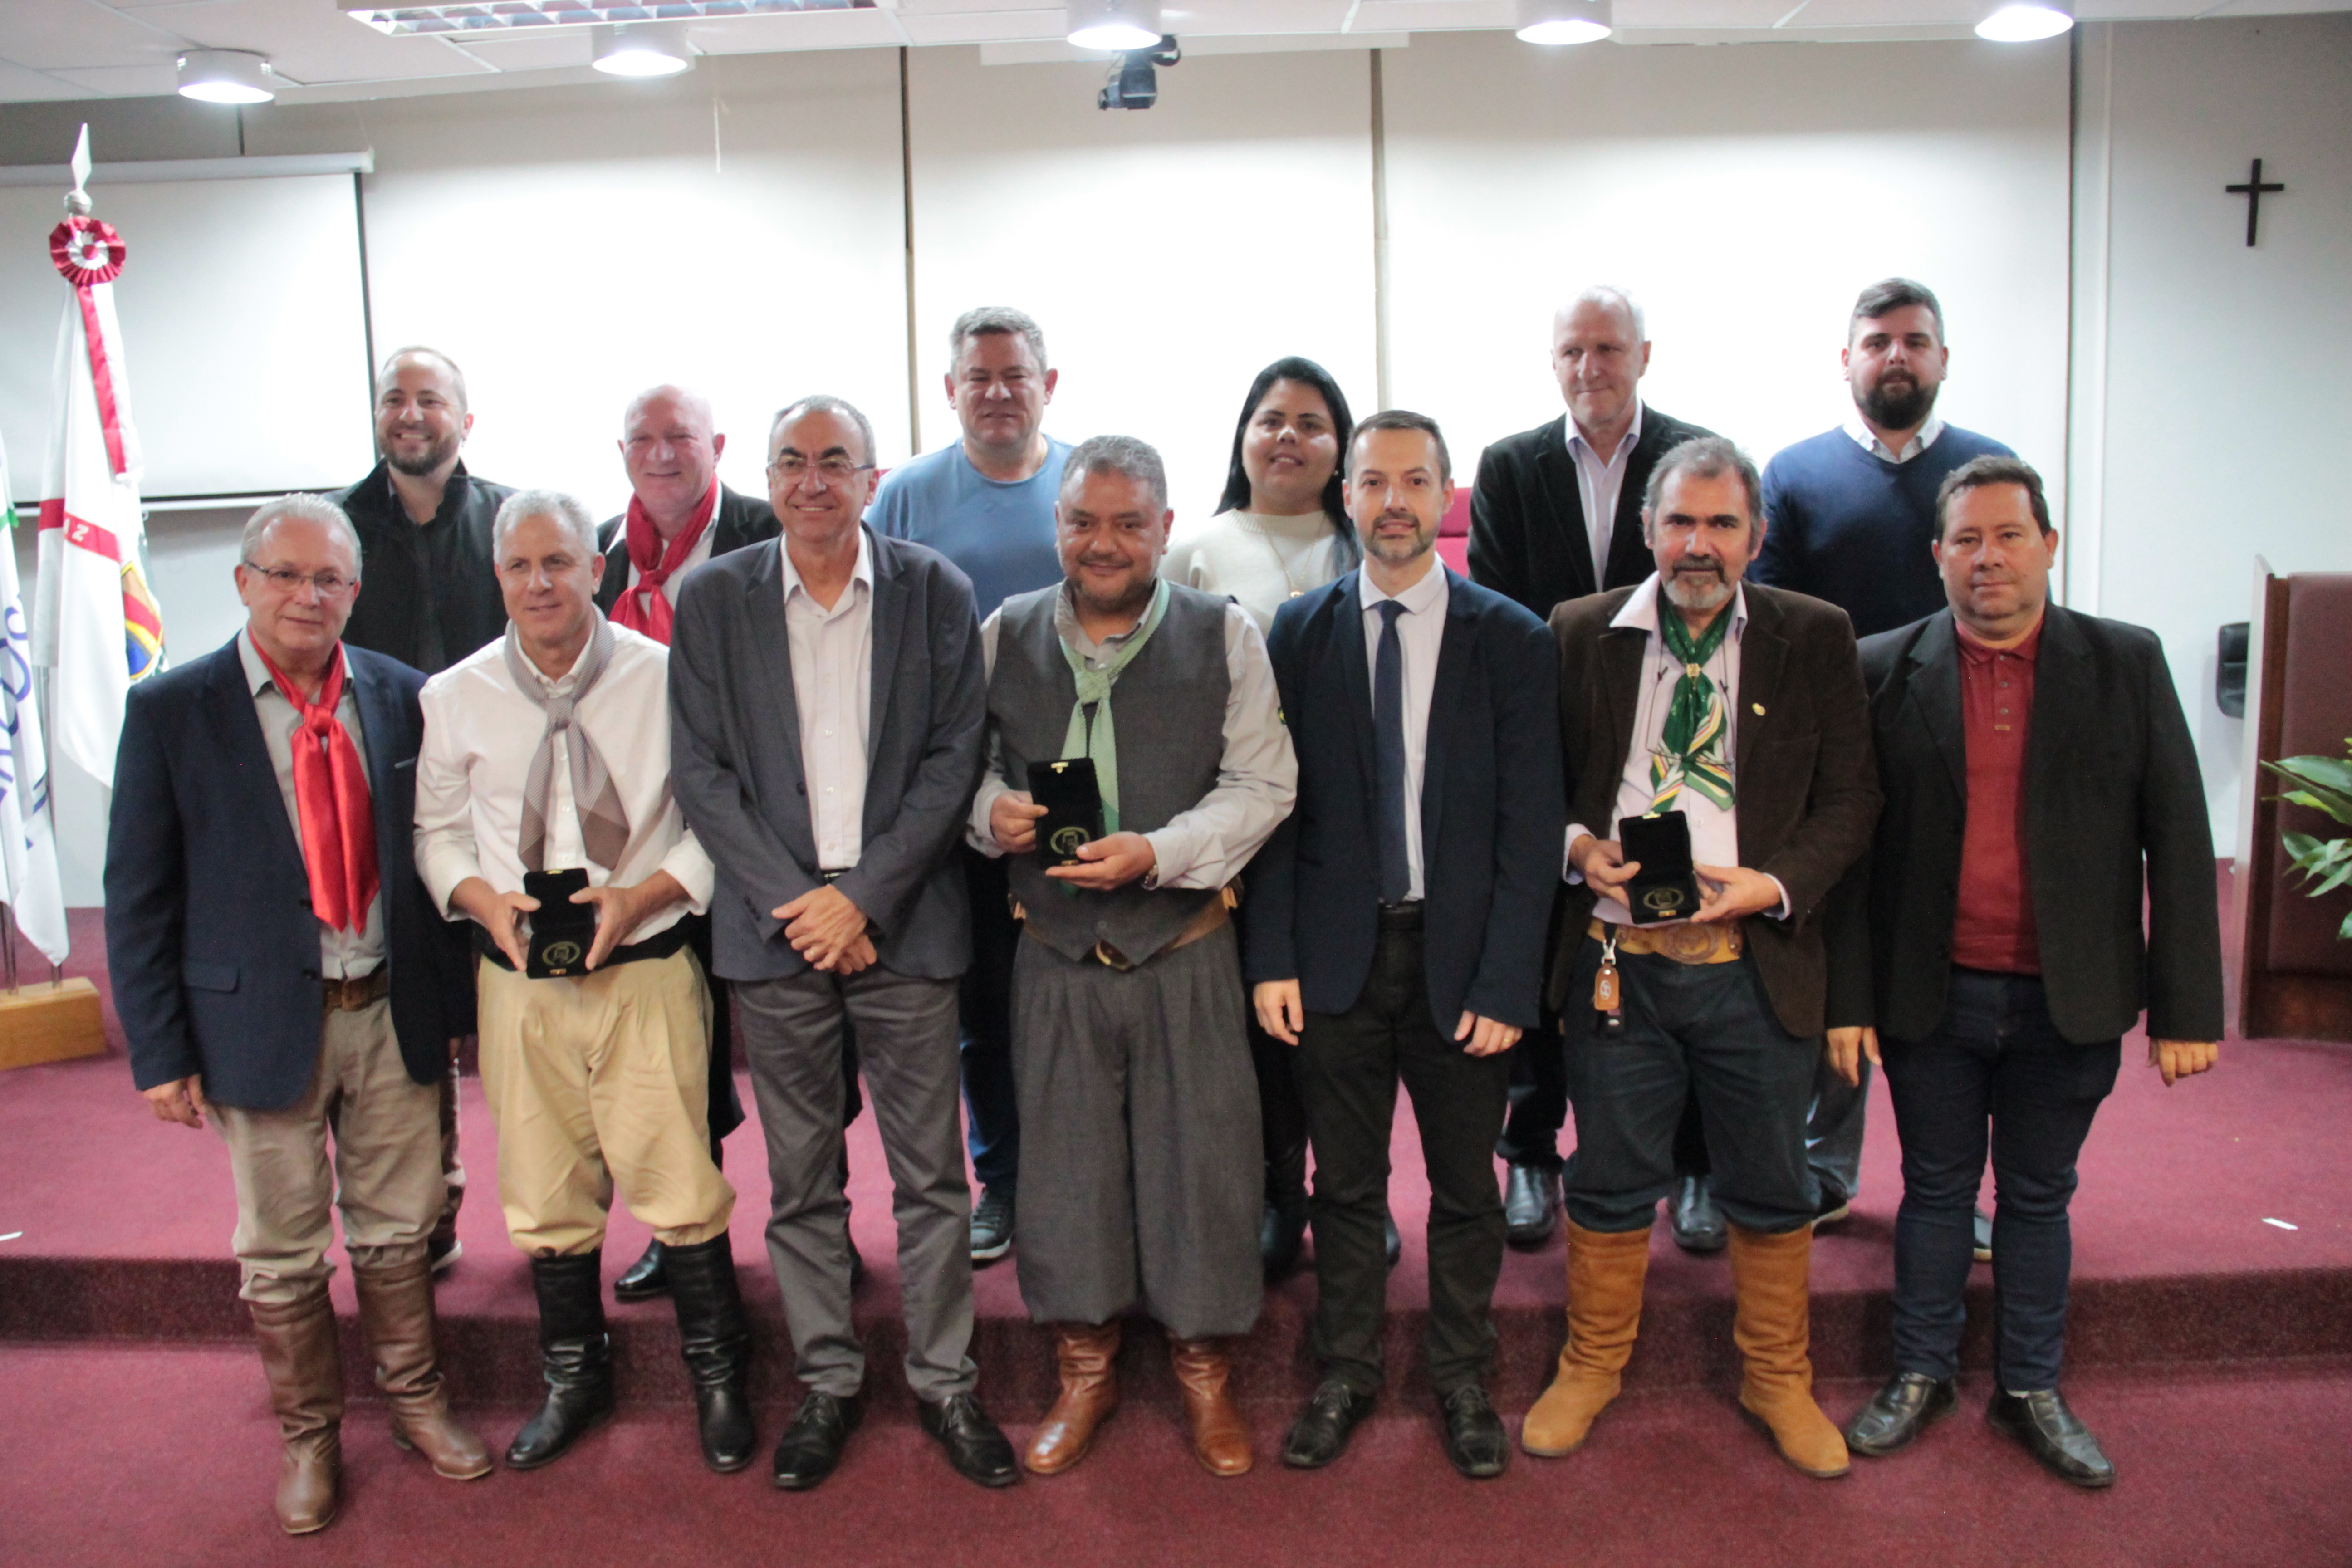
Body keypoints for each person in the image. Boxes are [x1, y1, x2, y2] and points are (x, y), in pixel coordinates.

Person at [1831, 456, 2221, 1488]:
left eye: (2010, 536)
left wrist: (2189, 1009)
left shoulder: (2124, 662)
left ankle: (2031, 1387)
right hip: (1933, 993)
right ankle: (1918, 1373)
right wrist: (1848, 1000)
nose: (1988, 558)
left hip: (2070, 996)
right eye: (1967, 540)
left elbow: (2178, 837)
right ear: (1937, 557)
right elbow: (1850, 855)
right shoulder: (1880, 666)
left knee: (2040, 1198)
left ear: (2050, 545)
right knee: (1935, 1190)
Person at [107, 495, 488, 1535]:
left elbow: (433, 860)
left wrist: (454, 1008)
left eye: (329, 579)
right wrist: (158, 1052)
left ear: (355, 593)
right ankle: (309, 1438)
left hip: (388, 1009)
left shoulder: (406, 697)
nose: (307, 596)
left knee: (401, 1228)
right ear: (242, 584)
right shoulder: (173, 711)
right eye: (285, 575)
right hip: (256, 1026)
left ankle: (419, 1405)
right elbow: (141, 895)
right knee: (278, 1248)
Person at [668, 395, 1017, 1491]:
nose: (812, 481)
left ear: (874, 479)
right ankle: (826, 1383)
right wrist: (805, 906)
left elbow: (954, 759)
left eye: (835, 462)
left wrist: (860, 899)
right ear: (766, 477)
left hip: (904, 928)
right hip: (776, 939)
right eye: (791, 462)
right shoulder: (713, 597)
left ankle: (946, 1383)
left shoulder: (933, 592)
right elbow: (704, 777)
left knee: (931, 1181)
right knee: (804, 1182)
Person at [1525, 437, 1879, 1480]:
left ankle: (1778, 1380)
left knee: (1771, 1181)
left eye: (1723, 525)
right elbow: (1530, 782)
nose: (1699, 545)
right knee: (1611, 1174)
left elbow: (1854, 800)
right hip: (1616, 960)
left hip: (1754, 957)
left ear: (1756, 538)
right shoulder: (1579, 632)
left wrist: (1769, 885)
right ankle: (1592, 1366)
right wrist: (1580, 848)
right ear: (1646, 530)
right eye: (1680, 522)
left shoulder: (1814, 638)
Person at [970, 434, 1297, 1478]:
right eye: (1081, 522)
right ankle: (1085, 1369)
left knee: (1202, 1167)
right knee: (1065, 1173)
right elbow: (958, 772)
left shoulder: (1225, 635)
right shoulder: (1004, 634)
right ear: (1057, 527)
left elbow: (1263, 784)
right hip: (1054, 956)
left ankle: (1206, 1375)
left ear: (1164, 527)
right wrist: (995, 814)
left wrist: (1160, 852)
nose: (1101, 543)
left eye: (1126, 523)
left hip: (1185, 946)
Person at [1248, 411, 1562, 1479]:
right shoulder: (1298, 633)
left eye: (1415, 481)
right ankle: (1345, 1372)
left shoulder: (1512, 638)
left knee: (1468, 1189)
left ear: (1445, 497)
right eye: (1374, 481)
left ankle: (1464, 1376)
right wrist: (1272, 958)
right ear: (1349, 495)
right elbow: (1276, 812)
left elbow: (1530, 829)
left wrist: (1512, 978)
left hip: (1464, 963)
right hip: (1334, 961)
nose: (1393, 501)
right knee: (1345, 1187)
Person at [415, 490, 751, 1475]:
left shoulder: (668, 675)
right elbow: (436, 834)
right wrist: (484, 904)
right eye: (519, 567)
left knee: (680, 1179)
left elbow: (717, 822)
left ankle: (718, 1377)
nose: (539, 583)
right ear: (498, 578)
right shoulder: (456, 695)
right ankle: (574, 1376)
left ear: (595, 567)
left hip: (645, 965)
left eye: (558, 562)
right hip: (519, 983)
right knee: (544, 1186)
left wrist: (644, 895)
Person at [1755, 278, 2015, 1256]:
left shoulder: (1990, 475)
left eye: (1915, 341)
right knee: (1836, 964)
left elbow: (2009, 611)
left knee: (1946, 975)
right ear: (1848, 359)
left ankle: (1952, 1186)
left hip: (1957, 766)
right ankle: (1826, 1173)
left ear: (1942, 359)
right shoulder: (1795, 473)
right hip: (1831, 762)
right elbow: (1771, 623)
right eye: (1878, 342)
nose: (1896, 357)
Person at [1465, 286, 1720, 1255]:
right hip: (1552, 742)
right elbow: (1500, 613)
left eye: (1608, 349)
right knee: (1543, 952)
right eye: (1572, 351)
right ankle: (1531, 1150)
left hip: (1673, 744)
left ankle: (1693, 1164)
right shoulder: (1511, 466)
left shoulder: (1696, 457)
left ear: (1645, 356)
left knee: (1682, 953)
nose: (1590, 369)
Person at [588, 383, 807, 1306]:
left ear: (716, 444)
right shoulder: (603, 553)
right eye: (644, 438)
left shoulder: (768, 526)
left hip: (768, 826)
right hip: (656, 831)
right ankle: (683, 1224)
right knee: (680, 1042)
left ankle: (816, 1222)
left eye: (680, 436)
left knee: (800, 1045)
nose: (662, 452)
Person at [1165, 355, 1380, 1281]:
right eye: (1270, 419)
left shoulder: (1372, 545)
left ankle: (1353, 1198)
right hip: (1240, 829)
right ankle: (1273, 1195)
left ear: (1343, 451)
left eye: (1311, 422)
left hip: (1355, 829)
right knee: (1261, 1033)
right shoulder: (1197, 551)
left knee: (1348, 1031)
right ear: (1243, 439)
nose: (1288, 436)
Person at [872, 305, 1073, 1264]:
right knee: (984, 1002)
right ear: (950, 390)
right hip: (954, 791)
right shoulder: (905, 497)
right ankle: (1003, 1179)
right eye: (978, 377)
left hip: (1083, 783)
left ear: (1049, 385)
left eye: (1015, 375)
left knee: (1082, 992)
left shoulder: (1088, 482)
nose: (997, 393)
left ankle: (1086, 1173)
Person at [333, 343, 515, 1272]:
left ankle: (552, 1206)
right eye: (394, 399)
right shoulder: (335, 528)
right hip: (379, 796)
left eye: (429, 399)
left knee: (519, 990)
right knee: (420, 999)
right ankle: (434, 1202)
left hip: (507, 797)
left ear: (465, 419)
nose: (410, 414)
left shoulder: (505, 520)